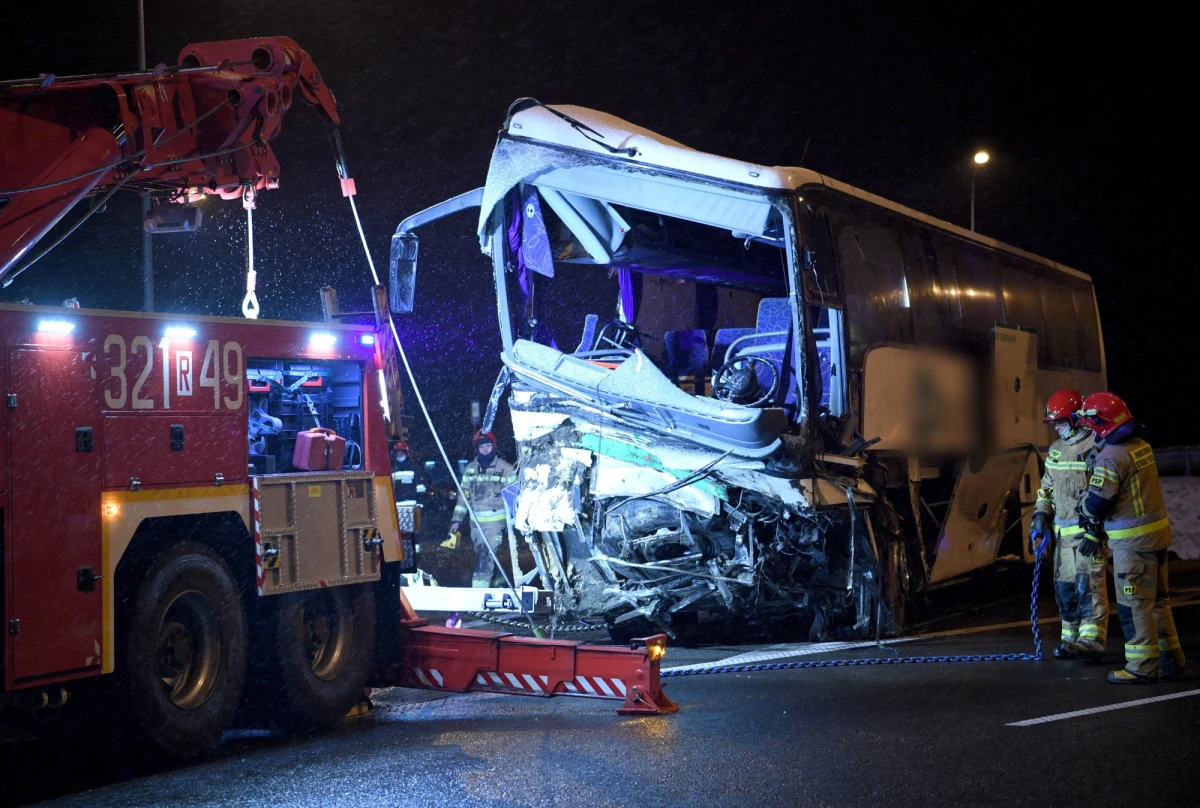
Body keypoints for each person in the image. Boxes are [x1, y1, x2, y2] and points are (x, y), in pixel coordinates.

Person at [1076, 392, 1186, 683]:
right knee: (1159, 602)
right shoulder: (1140, 446)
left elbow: (1098, 503)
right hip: (1157, 538)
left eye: (1090, 421)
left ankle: (1141, 667)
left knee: (1133, 606)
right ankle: (1171, 659)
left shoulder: (1112, 457)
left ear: (1102, 423)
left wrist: (1082, 506)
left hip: (1133, 546)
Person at [1030, 389, 1106, 660]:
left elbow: (1103, 494)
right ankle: (1070, 637)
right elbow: (1047, 488)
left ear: (1076, 419)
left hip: (1087, 537)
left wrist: (1096, 531)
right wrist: (1041, 513)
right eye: (1054, 423)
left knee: (1088, 586)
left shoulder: (1095, 446)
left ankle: (1092, 639)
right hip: (1062, 538)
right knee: (1064, 588)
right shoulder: (1056, 450)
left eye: (1061, 422)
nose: (1057, 428)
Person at [448, 431, 518, 588]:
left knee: (485, 555)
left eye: (488, 446)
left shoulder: (506, 469)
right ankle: (497, 580)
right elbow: (462, 498)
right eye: (482, 447)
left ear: (494, 446)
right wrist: (456, 520)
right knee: (484, 554)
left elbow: (513, 498)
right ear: (476, 449)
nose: (485, 450)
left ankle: (479, 591)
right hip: (476, 524)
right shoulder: (470, 469)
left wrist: (515, 522)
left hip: (495, 523)